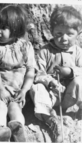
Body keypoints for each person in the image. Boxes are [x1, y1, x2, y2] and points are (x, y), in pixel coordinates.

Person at [30, 6, 82, 143]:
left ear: (78, 33)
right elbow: (38, 72)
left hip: (71, 97)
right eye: (59, 34)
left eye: (70, 34)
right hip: (52, 96)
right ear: (51, 31)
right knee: (36, 88)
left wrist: (71, 72)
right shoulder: (45, 51)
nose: (64, 39)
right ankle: (52, 121)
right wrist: (50, 81)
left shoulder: (78, 52)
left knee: (80, 80)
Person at [0, 5, 36, 142]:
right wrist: (0, 89)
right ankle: (1, 130)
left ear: (16, 30)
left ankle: (18, 130)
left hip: (17, 89)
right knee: (0, 107)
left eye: (3, 28)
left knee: (15, 108)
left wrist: (24, 91)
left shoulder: (26, 46)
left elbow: (31, 70)